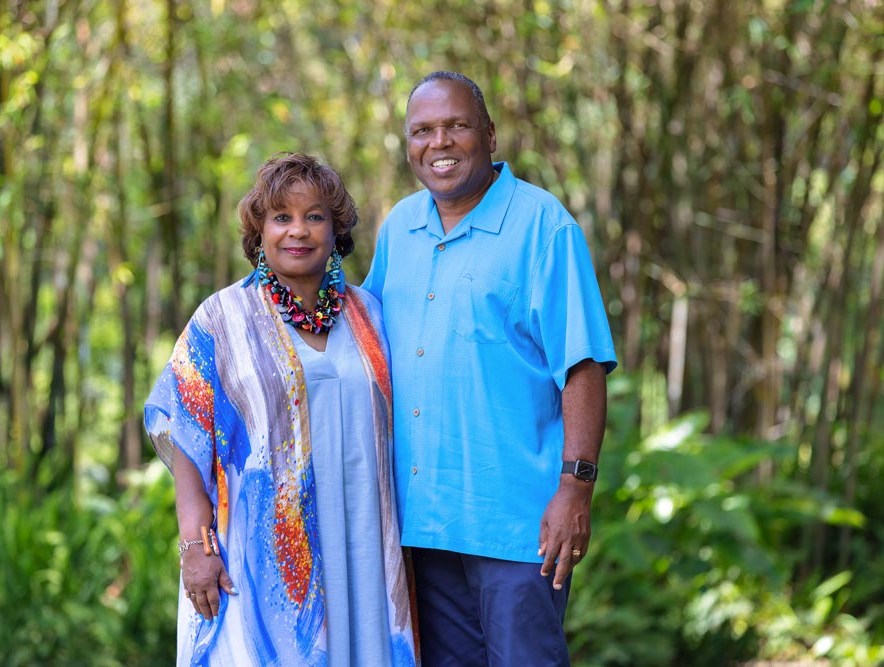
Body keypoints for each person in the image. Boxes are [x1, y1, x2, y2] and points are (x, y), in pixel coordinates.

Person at [362, 71, 618, 666]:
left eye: (456, 126)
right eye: (422, 130)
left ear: (490, 135)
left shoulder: (542, 226)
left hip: (517, 526)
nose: (439, 142)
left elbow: (582, 366)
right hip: (421, 524)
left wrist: (575, 488)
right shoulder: (400, 228)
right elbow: (364, 342)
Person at [145, 152, 417, 667]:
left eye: (315, 216)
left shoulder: (371, 316)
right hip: (263, 559)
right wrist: (194, 548)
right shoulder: (222, 318)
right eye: (282, 217)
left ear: (335, 231)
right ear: (260, 232)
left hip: (366, 544)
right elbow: (186, 434)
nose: (299, 231)